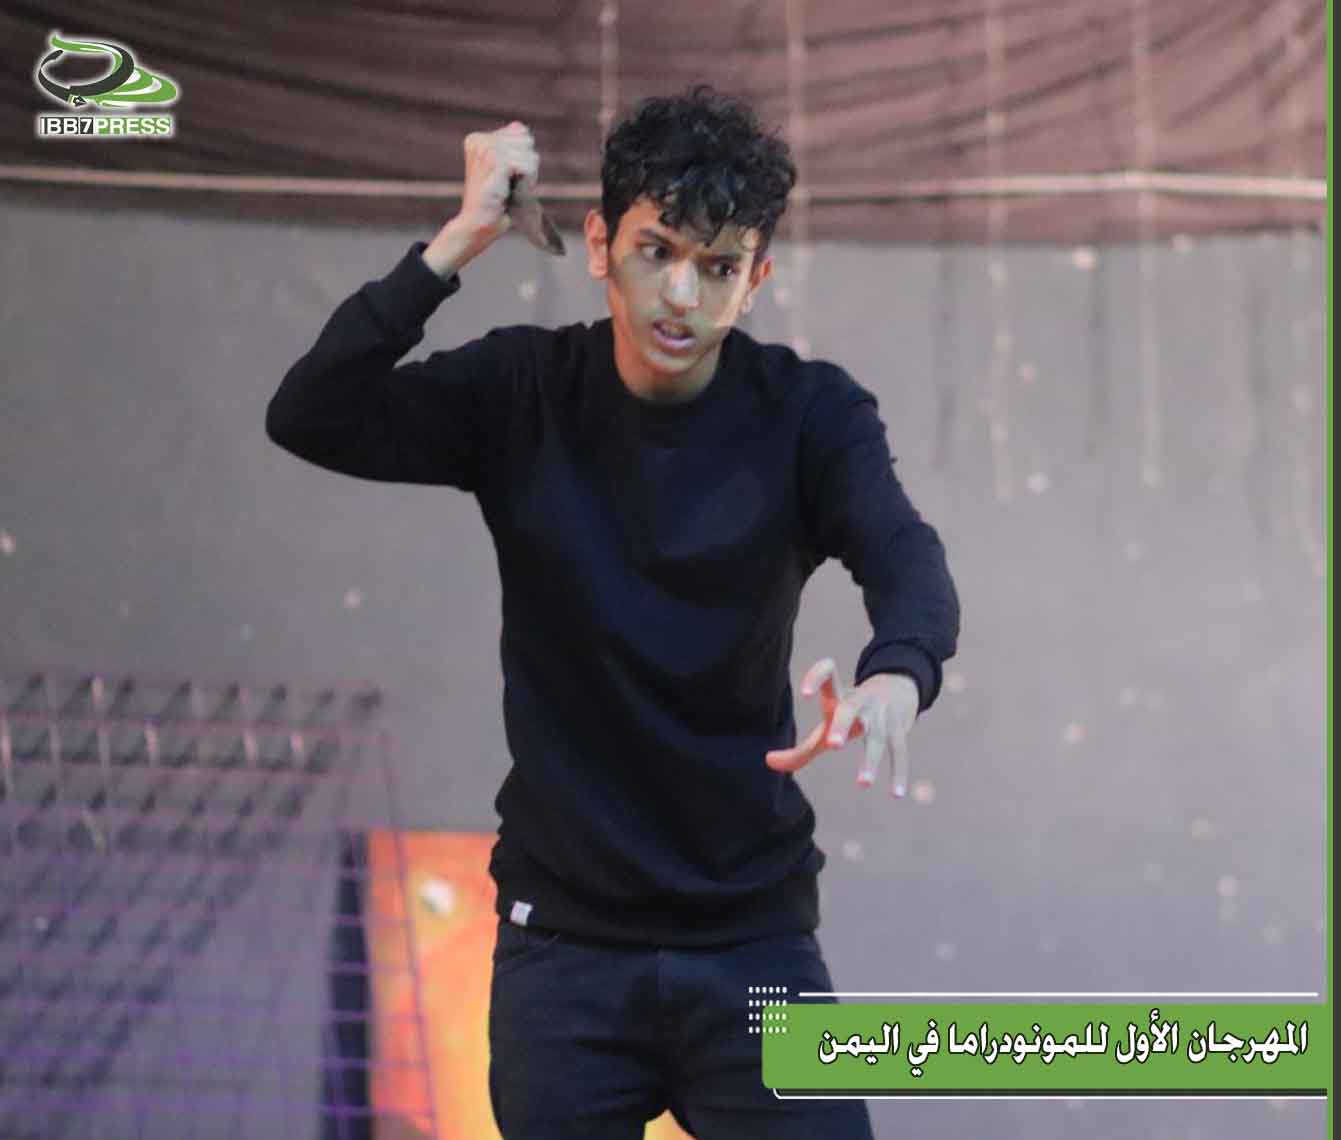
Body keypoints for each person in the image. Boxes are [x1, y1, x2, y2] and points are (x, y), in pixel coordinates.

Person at [268, 85, 958, 1140]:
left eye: (718, 267)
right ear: (600, 244)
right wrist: (459, 240)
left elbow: (904, 556)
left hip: (751, 939)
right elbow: (312, 414)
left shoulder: (809, 414)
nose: (681, 293)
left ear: (755, 279)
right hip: (564, 947)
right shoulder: (522, 391)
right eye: (656, 250)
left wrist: (898, 672)